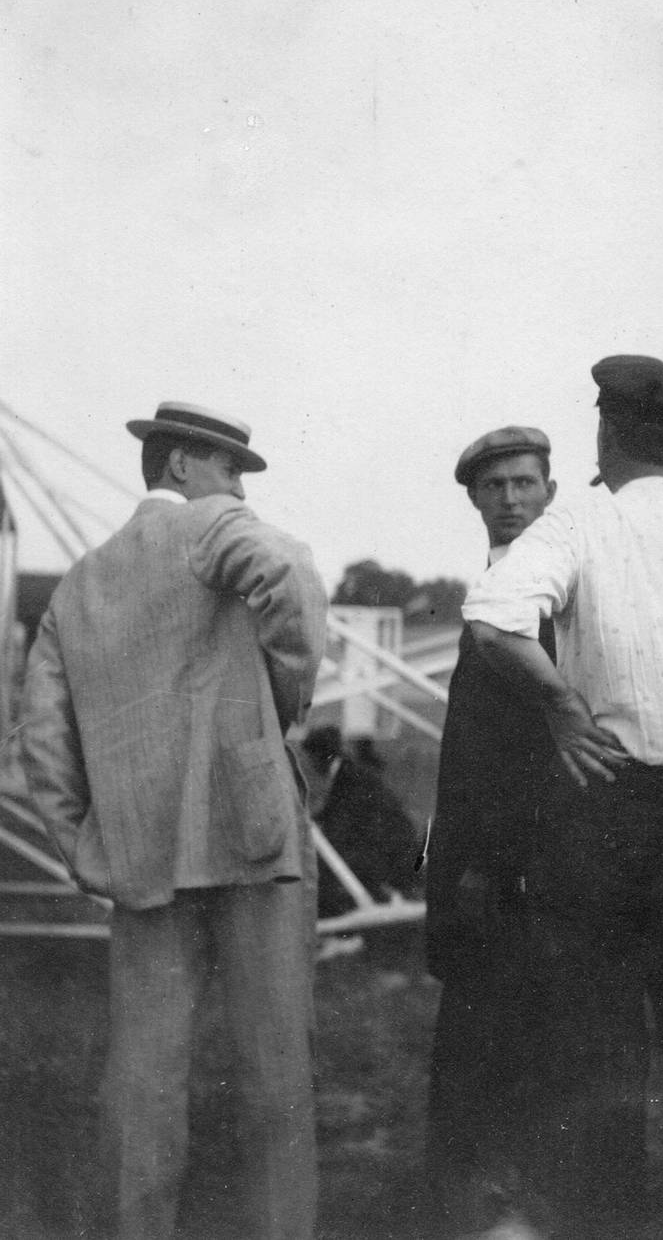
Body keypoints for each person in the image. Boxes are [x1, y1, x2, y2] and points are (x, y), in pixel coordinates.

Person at [21, 401, 328, 1240]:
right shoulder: (214, 525)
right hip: (255, 836)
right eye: (230, 467)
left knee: (142, 1085)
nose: (238, 486)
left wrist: (85, 844)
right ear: (184, 466)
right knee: (275, 1080)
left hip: (138, 856)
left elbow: (40, 738)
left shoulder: (79, 582)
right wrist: (285, 699)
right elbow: (291, 580)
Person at [463, 355, 663, 1240]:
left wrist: (560, 706)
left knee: (598, 1047)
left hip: (609, 803)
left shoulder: (581, 514)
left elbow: (494, 617)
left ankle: (608, 1222)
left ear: (607, 431)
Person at [425, 426, 558, 1237]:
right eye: (495, 486)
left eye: (524, 483)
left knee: (505, 1047)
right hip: (473, 861)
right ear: (474, 497)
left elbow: (527, 750)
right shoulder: (493, 583)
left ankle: (503, 1209)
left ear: (550, 490)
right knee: (475, 1046)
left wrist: (486, 865)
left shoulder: (551, 589)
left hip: (518, 869)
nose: (510, 499)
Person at [299, 724, 417, 917]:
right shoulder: (348, 772)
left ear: (319, 755)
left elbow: (344, 822)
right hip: (391, 843)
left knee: (323, 869)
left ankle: (339, 928)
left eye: (310, 758)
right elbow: (335, 812)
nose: (310, 765)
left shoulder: (349, 778)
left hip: (391, 849)